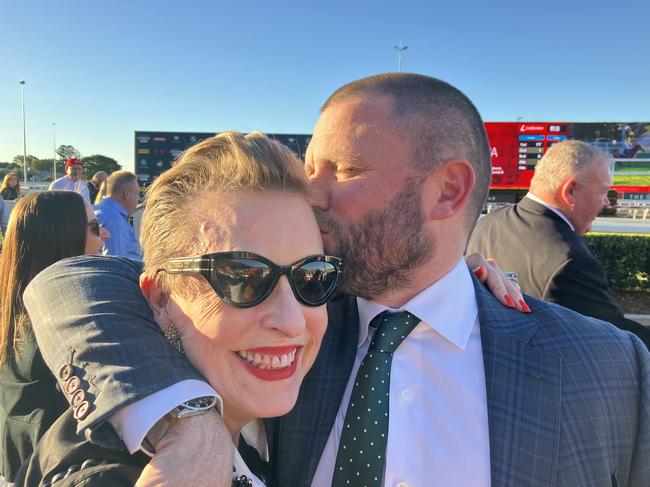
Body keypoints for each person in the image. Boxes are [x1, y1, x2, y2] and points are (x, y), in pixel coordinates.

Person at [23, 74, 649, 487]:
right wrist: (190, 425)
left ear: (449, 190)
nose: (312, 193)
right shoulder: (294, 336)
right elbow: (71, 283)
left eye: (341, 170)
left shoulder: (610, 368)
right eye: (310, 166)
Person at [17, 132, 344, 486]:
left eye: (312, 277)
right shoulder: (108, 472)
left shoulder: (268, 401)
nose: (292, 320)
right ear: (161, 298)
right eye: (243, 277)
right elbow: (71, 278)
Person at [467, 139, 650, 348]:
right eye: (603, 192)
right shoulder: (570, 259)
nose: (607, 202)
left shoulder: (491, 220)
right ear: (570, 190)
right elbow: (620, 342)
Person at [0, 191, 109, 484]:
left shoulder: (14, 312)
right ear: (62, 239)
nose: (105, 235)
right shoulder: (73, 325)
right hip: (57, 469)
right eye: (94, 228)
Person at [93, 170, 142, 259]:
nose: (139, 199)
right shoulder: (114, 220)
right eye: (137, 193)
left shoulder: (101, 210)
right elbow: (116, 265)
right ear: (126, 194)